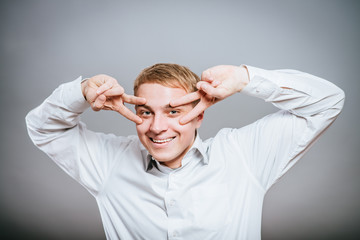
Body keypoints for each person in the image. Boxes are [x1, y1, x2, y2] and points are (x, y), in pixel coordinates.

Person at [26, 63, 344, 239]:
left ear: (200, 115)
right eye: (147, 112)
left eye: (174, 111)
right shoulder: (109, 162)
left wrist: (246, 78)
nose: (157, 127)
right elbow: (42, 127)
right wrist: (81, 92)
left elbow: (328, 101)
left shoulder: (243, 155)